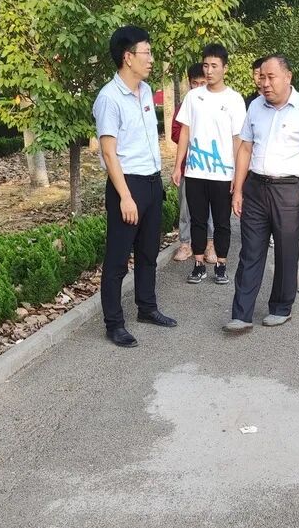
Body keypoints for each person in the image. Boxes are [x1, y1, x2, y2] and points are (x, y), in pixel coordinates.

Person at [224, 54, 299, 332]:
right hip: (256, 188)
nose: (265, 83)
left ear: (287, 77)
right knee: (250, 251)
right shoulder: (255, 106)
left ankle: (281, 307)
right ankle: (241, 314)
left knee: (285, 251)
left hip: (289, 190)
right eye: (262, 77)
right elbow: (245, 148)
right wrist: (238, 189)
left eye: (271, 77)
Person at [92, 25, 177, 348]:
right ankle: (114, 323)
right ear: (128, 57)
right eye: (147, 52)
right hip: (127, 186)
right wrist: (125, 196)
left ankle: (147, 307)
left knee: (148, 253)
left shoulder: (145, 90)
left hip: (151, 182)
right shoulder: (109, 98)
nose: (151, 59)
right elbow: (109, 152)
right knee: (117, 259)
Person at [172, 43, 246, 286]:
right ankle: (198, 264)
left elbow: (238, 139)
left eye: (214, 66)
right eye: (206, 65)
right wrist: (178, 165)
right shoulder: (193, 97)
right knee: (198, 220)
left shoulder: (234, 99)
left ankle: (221, 265)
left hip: (223, 174)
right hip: (195, 171)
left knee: (222, 222)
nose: (209, 70)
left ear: (225, 68)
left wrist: (238, 176)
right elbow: (185, 132)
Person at [171, 63, 207, 263]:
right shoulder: (185, 105)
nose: (199, 86)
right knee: (185, 207)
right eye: (195, 83)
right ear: (189, 83)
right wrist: (194, 136)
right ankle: (185, 243)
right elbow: (176, 132)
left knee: (210, 210)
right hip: (188, 166)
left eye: (203, 82)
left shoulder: (216, 103)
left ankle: (210, 243)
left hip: (210, 167)